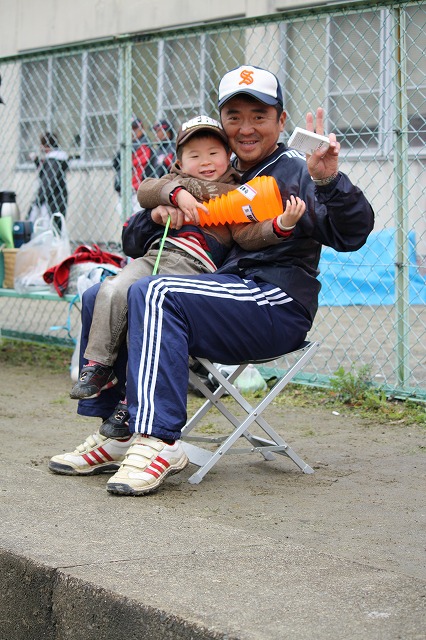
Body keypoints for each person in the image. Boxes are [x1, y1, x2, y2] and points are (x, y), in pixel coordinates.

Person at [49, 65, 374, 493]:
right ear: (222, 121)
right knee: (103, 294)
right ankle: (118, 433)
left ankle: (159, 440)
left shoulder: (297, 168)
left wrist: (328, 179)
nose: (246, 128)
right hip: (217, 293)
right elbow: (133, 240)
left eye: (259, 116)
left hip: (272, 301)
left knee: (156, 292)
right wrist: (160, 211)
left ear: (281, 120)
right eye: (234, 117)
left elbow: (351, 234)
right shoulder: (214, 168)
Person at [112, 117, 156, 214]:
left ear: (142, 129)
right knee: (126, 219)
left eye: (135, 128)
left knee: (136, 218)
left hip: (137, 192)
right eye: (131, 128)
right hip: (125, 191)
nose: (133, 131)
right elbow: (115, 163)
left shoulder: (144, 145)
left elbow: (134, 164)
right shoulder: (127, 145)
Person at [28, 132, 69, 228]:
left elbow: (48, 182)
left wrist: (38, 201)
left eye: (42, 145)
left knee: (48, 227)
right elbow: (47, 174)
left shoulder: (53, 161)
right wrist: (37, 161)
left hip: (50, 200)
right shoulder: (56, 159)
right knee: (55, 226)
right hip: (58, 197)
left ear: (46, 146)